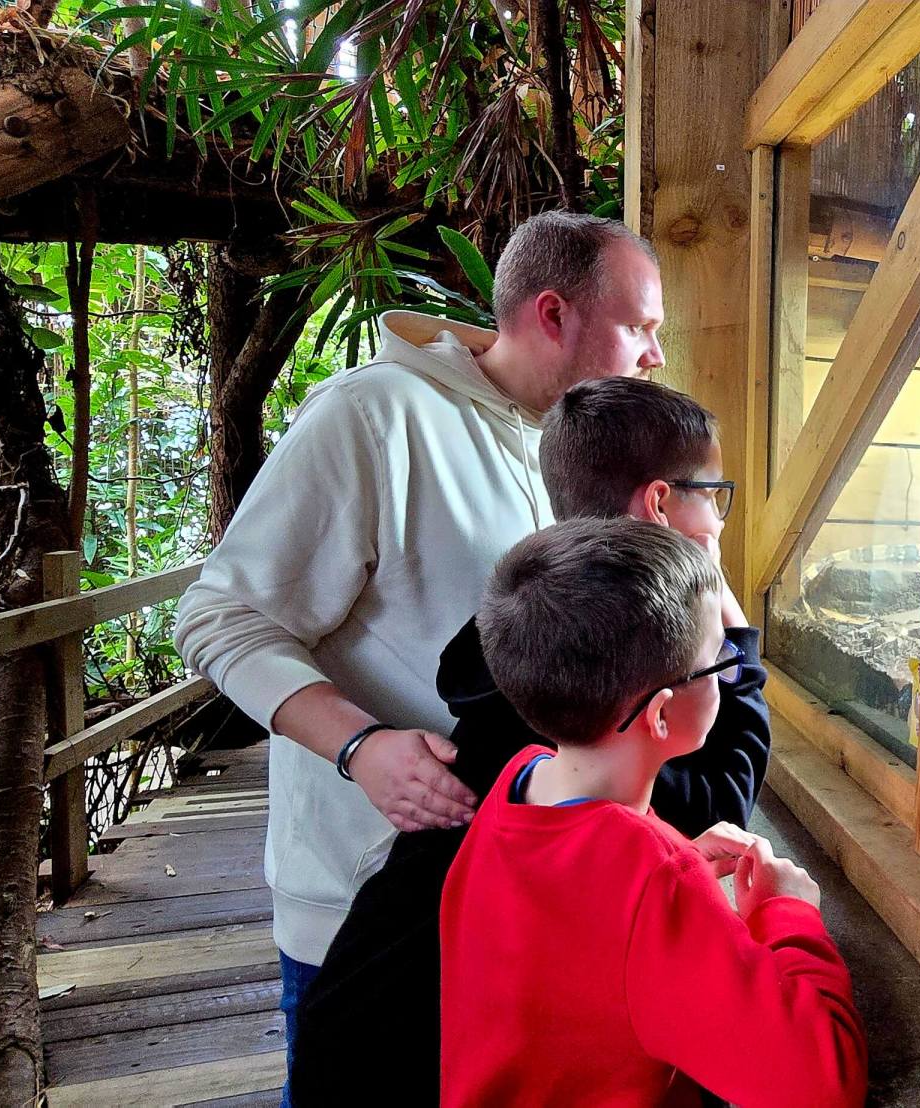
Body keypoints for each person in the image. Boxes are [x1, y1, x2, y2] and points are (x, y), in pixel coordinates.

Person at [171, 212, 665, 1090]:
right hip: (366, 890)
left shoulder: (568, 447)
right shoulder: (374, 415)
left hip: (509, 890)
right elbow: (220, 616)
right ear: (552, 315)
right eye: (640, 328)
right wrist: (360, 746)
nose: (654, 356)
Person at [289, 377, 770, 1104]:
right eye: (715, 492)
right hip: (407, 1058)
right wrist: (733, 641)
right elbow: (715, 799)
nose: (721, 515)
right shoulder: (600, 699)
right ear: (663, 503)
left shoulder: (530, 633)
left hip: (362, 1019)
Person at [440, 518, 866, 1107]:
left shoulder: (519, 781)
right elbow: (820, 1084)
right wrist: (787, 914)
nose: (730, 672)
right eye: (719, 663)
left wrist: (678, 855)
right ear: (662, 716)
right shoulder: (651, 879)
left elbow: (574, 930)